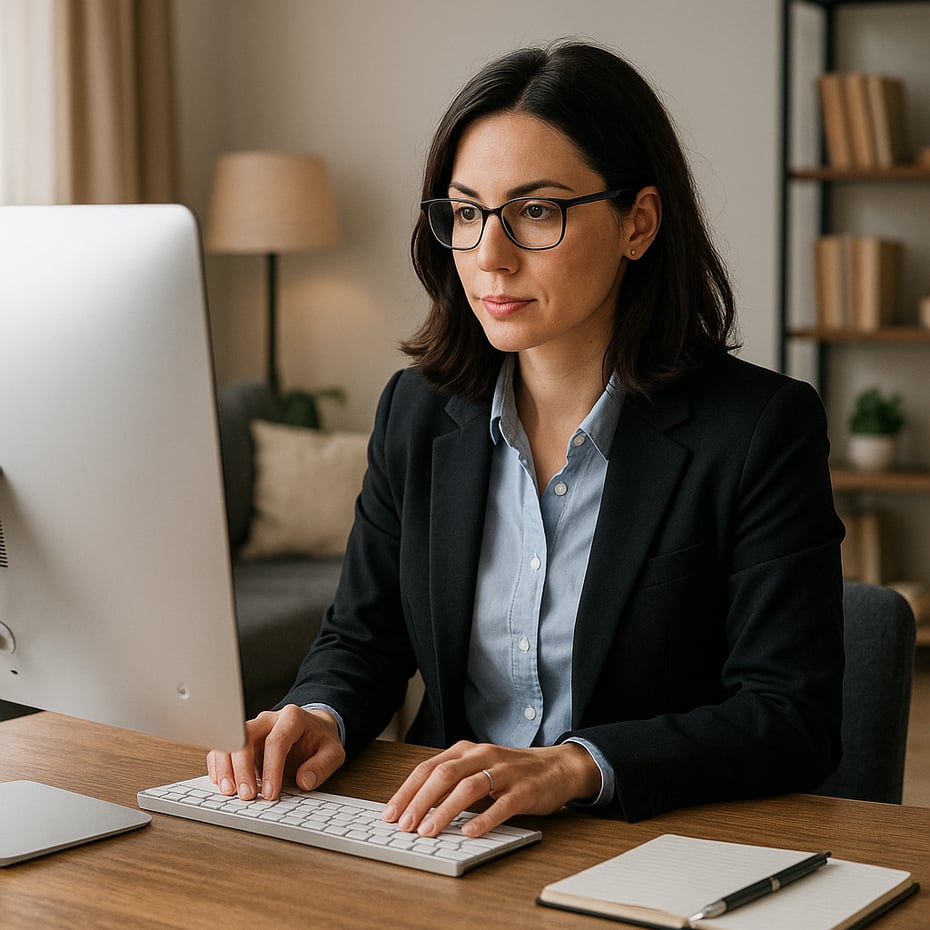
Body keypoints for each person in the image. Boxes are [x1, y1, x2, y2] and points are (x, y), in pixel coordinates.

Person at [207, 41, 845, 839]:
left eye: (536, 211)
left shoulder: (758, 429)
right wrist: (322, 711)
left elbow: (791, 717)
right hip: (439, 837)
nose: (489, 256)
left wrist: (573, 765)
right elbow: (363, 638)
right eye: (468, 213)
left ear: (638, 223)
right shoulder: (417, 410)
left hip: (644, 846)